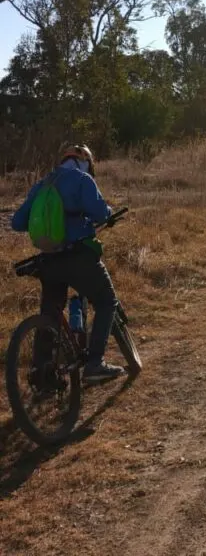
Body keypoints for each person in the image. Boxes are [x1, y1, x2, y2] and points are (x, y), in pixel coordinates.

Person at [10, 144, 126, 384]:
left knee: (50, 315)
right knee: (106, 301)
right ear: (86, 162)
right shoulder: (82, 179)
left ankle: (42, 374)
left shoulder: (43, 184)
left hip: (48, 261)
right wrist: (106, 211)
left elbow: (18, 222)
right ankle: (95, 363)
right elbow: (100, 214)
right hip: (78, 256)